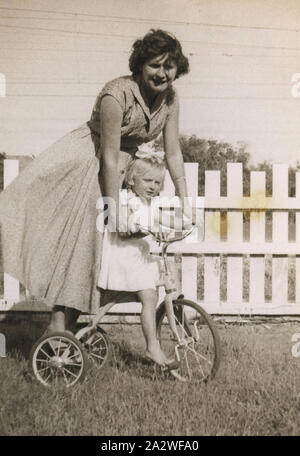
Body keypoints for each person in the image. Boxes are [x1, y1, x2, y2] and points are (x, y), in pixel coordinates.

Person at [0, 29, 191, 334]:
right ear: (140, 65)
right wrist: (112, 207)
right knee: (84, 246)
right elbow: (110, 156)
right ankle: (58, 328)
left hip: (123, 167)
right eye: (154, 65)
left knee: (110, 251)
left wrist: (185, 200)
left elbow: (173, 153)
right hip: (89, 160)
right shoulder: (117, 94)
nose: (161, 73)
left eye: (169, 67)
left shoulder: (170, 99)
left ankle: (74, 327)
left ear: (177, 69)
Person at [98, 150, 184, 366]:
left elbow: (162, 218)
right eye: (147, 180)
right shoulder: (125, 199)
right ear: (131, 179)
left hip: (138, 259)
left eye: (157, 182)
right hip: (123, 258)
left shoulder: (151, 203)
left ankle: (91, 322)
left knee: (121, 296)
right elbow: (123, 225)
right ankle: (152, 348)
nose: (152, 186)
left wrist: (184, 224)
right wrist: (144, 228)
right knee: (148, 296)